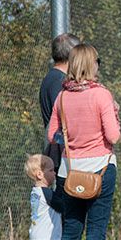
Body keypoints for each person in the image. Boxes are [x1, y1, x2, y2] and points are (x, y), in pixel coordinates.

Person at [47, 44, 121, 240]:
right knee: (96, 230)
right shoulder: (101, 95)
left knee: (71, 229)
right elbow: (113, 135)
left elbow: (52, 135)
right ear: (92, 65)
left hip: (70, 172)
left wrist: (75, 138)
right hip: (100, 170)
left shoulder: (62, 97)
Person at [40, 33, 82, 171]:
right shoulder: (60, 82)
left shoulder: (53, 78)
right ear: (73, 56)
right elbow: (66, 119)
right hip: (64, 154)